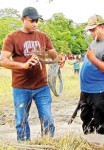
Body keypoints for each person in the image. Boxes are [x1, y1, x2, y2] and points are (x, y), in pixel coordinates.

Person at [0, 7, 65, 141]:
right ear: (23, 20)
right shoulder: (12, 37)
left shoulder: (43, 36)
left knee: (47, 118)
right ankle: (24, 145)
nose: (35, 24)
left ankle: (48, 143)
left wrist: (60, 59)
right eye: (31, 21)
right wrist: (23, 65)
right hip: (21, 87)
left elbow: (53, 56)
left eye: (37, 21)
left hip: (42, 87)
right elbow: (2, 61)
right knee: (21, 120)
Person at [79, 15, 104, 134]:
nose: (91, 32)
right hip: (86, 90)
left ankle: (103, 144)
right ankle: (89, 143)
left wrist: (92, 59)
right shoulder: (94, 42)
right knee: (86, 120)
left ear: (101, 27)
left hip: (99, 90)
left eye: (93, 29)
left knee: (101, 124)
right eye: (89, 30)